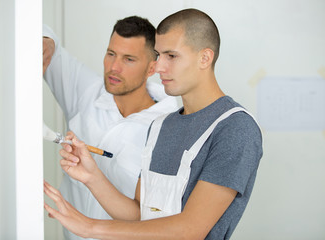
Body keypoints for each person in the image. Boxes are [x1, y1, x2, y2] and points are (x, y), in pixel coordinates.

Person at [44, 8, 263, 240]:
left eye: (171, 56)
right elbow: (140, 214)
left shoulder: (235, 128)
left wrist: (90, 227)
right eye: (159, 55)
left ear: (205, 58)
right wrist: (92, 177)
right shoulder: (161, 126)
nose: (158, 67)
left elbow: (192, 229)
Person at [43, 16, 178, 240]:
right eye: (111, 54)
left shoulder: (170, 128)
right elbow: (47, 44)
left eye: (129, 59)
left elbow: (156, 220)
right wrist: (47, 42)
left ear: (152, 67)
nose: (114, 68)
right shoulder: (88, 92)